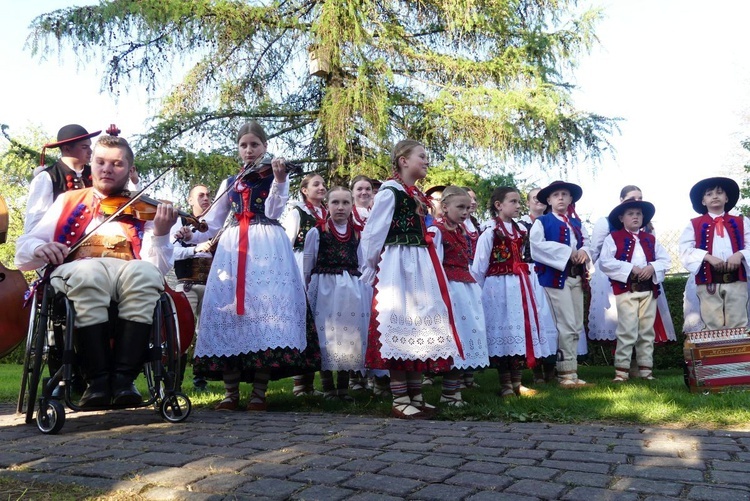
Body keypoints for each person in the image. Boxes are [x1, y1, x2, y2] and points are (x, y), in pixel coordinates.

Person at [15, 134, 178, 408]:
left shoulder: (141, 207)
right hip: (79, 270)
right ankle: (98, 380)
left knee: (146, 275)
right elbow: (25, 247)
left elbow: (158, 267)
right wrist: (38, 249)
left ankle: (123, 381)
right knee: (88, 273)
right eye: (100, 162)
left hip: (127, 271)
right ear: (91, 165)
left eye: (116, 164)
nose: (107, 169)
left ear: (129, 170)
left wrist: (161, 234)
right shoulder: (69, 200)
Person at [192, 121, 320, 411]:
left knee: (264, 310)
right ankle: (230, 392)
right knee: (229, 307)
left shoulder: (273, 176)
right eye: (244, 145)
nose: (249, 150)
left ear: (264, 146)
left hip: (267, 244)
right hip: (234, 245)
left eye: (255, 145)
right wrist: (191, 232)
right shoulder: (230, 182)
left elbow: (274, 211)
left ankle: (259, 392)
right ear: (238, 148)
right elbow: (212, 222)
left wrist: (280, 179)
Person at [360, 140, 461, 419]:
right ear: (403, 161)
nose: (426, 161)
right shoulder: (391, 192)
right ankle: (400, 396)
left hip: (419, 265)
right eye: (422, 156)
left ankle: (416, 395)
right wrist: (371, 268)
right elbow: (373, 234)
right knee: (399, 323)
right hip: (398, 266)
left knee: (418, 326)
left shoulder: (415, 193)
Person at [472, 187, 555, 397]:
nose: (518, 206)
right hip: (497, 288)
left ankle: (517, 383)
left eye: (519, 202)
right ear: (499, 205)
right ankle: (505, 384)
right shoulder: (490, 231)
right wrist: (477, 295)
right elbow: (480, 266)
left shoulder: (521, 230)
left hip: (519, 287)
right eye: (513, 201)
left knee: (518, 332)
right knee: (503, 331)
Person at [589, 185, 676, 374]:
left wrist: (652, 267)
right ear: (621, 217)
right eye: (630, 213)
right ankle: (622, 370)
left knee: (646, 331)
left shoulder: (650, 239)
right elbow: (605, 261)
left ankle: (646, 370)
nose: (635, 217)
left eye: (638, 213)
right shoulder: (614, 238)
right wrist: (630, 268)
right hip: (625, 291)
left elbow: (665, 259)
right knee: (626, 330)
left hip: (648, 291)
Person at [303, 186, 369, 401]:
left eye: (345, 203)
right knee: (325, 336)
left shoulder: (358, 232)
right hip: (324, 288)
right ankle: (328, 387)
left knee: (347, 335)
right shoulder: (318, 232)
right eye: (335, 203)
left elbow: (361, 262)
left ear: (351, 206)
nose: (340, 207)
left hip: (349, 289)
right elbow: (308, 263)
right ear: (327, 205)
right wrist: (307, 287)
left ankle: (343, 387)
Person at [428, 186, 489, 406]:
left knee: (463, 336)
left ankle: (453, 392)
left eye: (467, 208)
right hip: (450, 289)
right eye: (460, 207)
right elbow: (435, 264)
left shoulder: (459, 229)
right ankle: (448, 393)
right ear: (445, 207)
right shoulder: (437, 231)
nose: (465, 212)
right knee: (453, 338)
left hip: (465, 287)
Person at [530, 180, 593, 387]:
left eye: (565, 194)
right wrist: (568, 253)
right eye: (556, 194)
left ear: (570, 199)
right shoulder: (542, 222)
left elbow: (587, 243)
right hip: (556, 279)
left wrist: (584, 251)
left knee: (575, 325)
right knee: (565, 324)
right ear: (548, 200)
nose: (560, 198)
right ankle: (565, 374)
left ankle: (571, 372)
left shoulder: (576, 223)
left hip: (576, 278)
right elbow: (537, 248)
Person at [679, 177, 750, 331]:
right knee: (712, 324)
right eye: (709, 194)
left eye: (719, 192)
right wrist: (707, 257)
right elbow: (685, 250)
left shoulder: (741, 222)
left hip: (737, 279)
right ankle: (716, 354)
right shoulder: (694, 224)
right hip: (708, 282)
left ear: (726, 198)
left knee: (738, 324)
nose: (715, 196)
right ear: (703, 201)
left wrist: (740, 254)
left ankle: (739, 355)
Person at [282, 172, 328, 396]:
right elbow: (287, 243)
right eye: (316, 184)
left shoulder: (327, 212)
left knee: (318, 321)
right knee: (303, 320)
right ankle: (301, 383)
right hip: (301, 264)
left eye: (323, 184)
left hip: (324, 268)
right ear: (304, 190)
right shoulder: (297, 212)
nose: (322, 187)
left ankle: (312, 381)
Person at [171, 184, 213, 391]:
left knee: (205, 332)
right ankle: (175, 383)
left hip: (211, 286)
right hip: (186, 284)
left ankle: (201, 381)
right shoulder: (179, 222)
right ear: (190, 200)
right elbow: (171, 252)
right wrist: (196, 248)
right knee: (182, 331)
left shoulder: (214, 225)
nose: (206, 198)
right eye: (200, 195)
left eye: (208, 195)